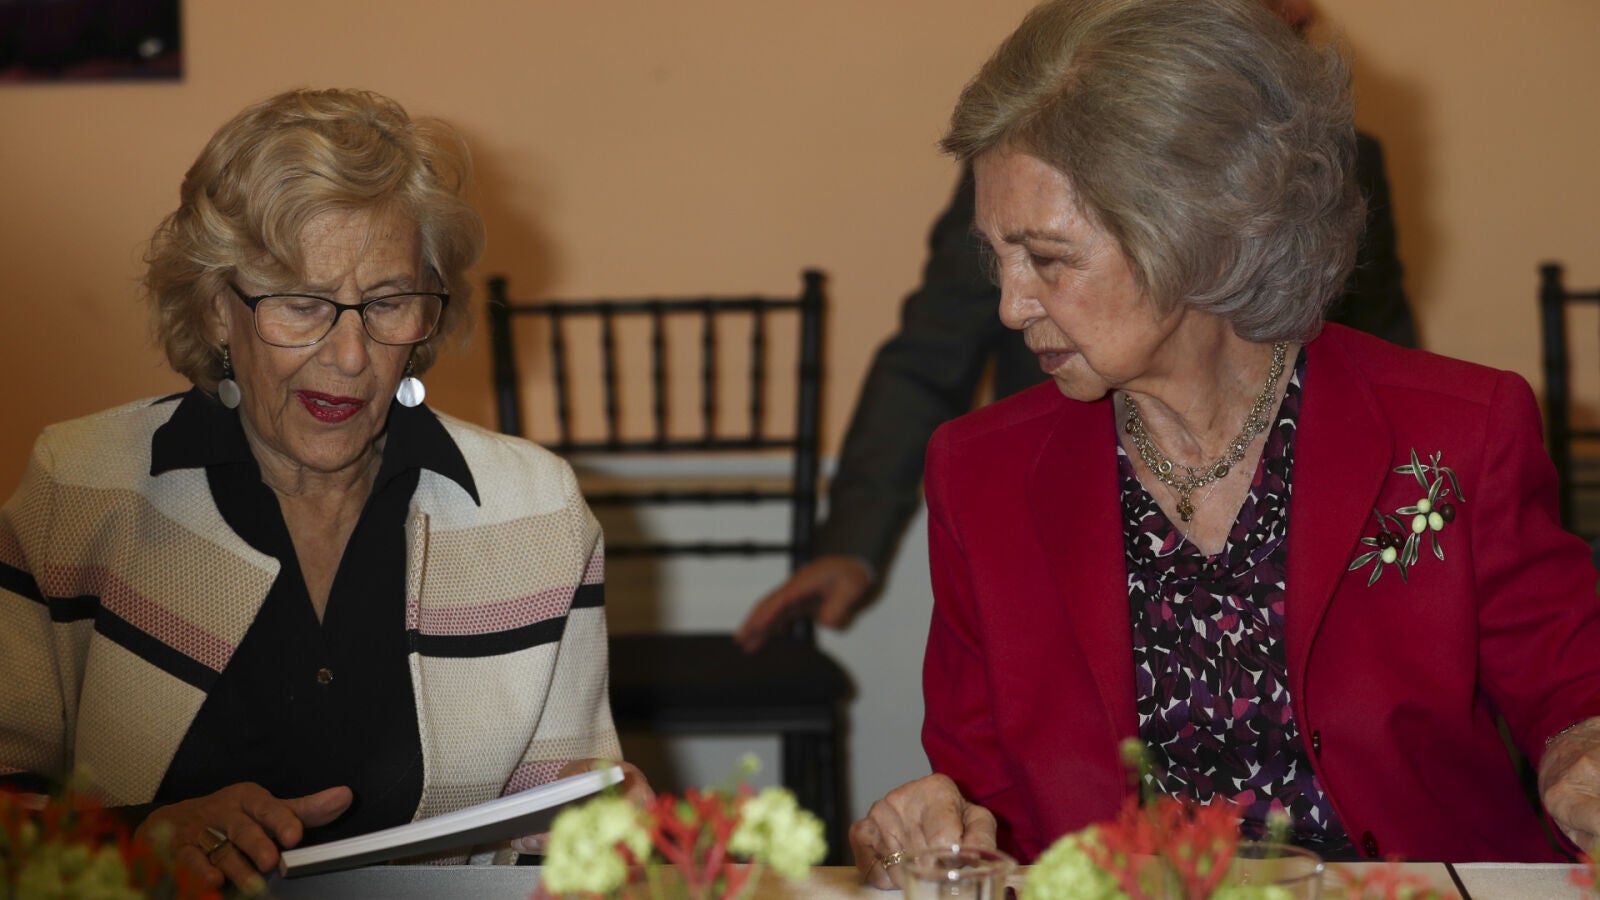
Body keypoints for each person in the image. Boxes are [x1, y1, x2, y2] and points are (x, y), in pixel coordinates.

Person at [845, 0, 1600, 885]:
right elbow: (982, 797)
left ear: (1200, 237)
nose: (1011, 306)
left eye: (1047, 258)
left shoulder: (1459, 431)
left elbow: (1573, 688)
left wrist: (1579, 754)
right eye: (996, 258)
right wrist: (936, 832)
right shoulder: (981, 475)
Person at [0, 88, 648, 892]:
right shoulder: (82, 491)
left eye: (388, 303)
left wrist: (592, 833)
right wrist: (134, 839)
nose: (349, 356)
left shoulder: (535, 512)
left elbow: (554, 839)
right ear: (216, 309)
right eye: (302, 304)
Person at [735, 0, 1416, 653]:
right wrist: (850, 544)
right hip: (1059, 517)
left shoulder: (1343, 165)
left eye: (1049, 260)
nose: (1013, 305)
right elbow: (929, 355)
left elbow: (1383, 354)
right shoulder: (1026, 164)